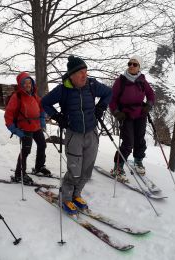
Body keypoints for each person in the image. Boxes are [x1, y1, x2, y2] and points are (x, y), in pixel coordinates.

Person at [41, 55, 112, 215]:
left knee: (87, 169)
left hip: (92, 133)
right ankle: (65, 198)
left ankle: (76, 195)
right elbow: (44, 103)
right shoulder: (63, 89)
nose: (84, 75)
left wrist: (101, 108)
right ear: (71, 75)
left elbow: (109, 93)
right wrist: (58, 117)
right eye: (80, 72)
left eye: (85, 71)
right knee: (75, 169)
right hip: (74, 135)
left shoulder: (92, 85)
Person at [109, 55, 155, 180]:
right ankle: (118, 167)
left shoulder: (142, 80)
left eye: (134, 64)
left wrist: (148, 106)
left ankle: (138, 161)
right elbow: (112, 99)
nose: (131, 66)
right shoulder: (121, 81)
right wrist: (117, 113)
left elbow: (151, 94)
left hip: (140, 114)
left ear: (139, 67)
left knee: (139, 139)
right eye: (130, 63)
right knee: (128, 142)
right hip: (126, 114)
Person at [4, 72, 51, 184]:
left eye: (29, 82)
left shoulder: (34, 95)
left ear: (32, 83)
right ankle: (19, 174)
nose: (27, 85)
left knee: (42, 144)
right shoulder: (17, 97)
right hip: (24, 128)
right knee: (25, 151)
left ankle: (39, 167)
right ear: (20, 84)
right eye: (24, 83)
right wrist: (14, 129)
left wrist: (42, 120)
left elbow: (41, 108)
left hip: (36, 127)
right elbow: (8, 115)